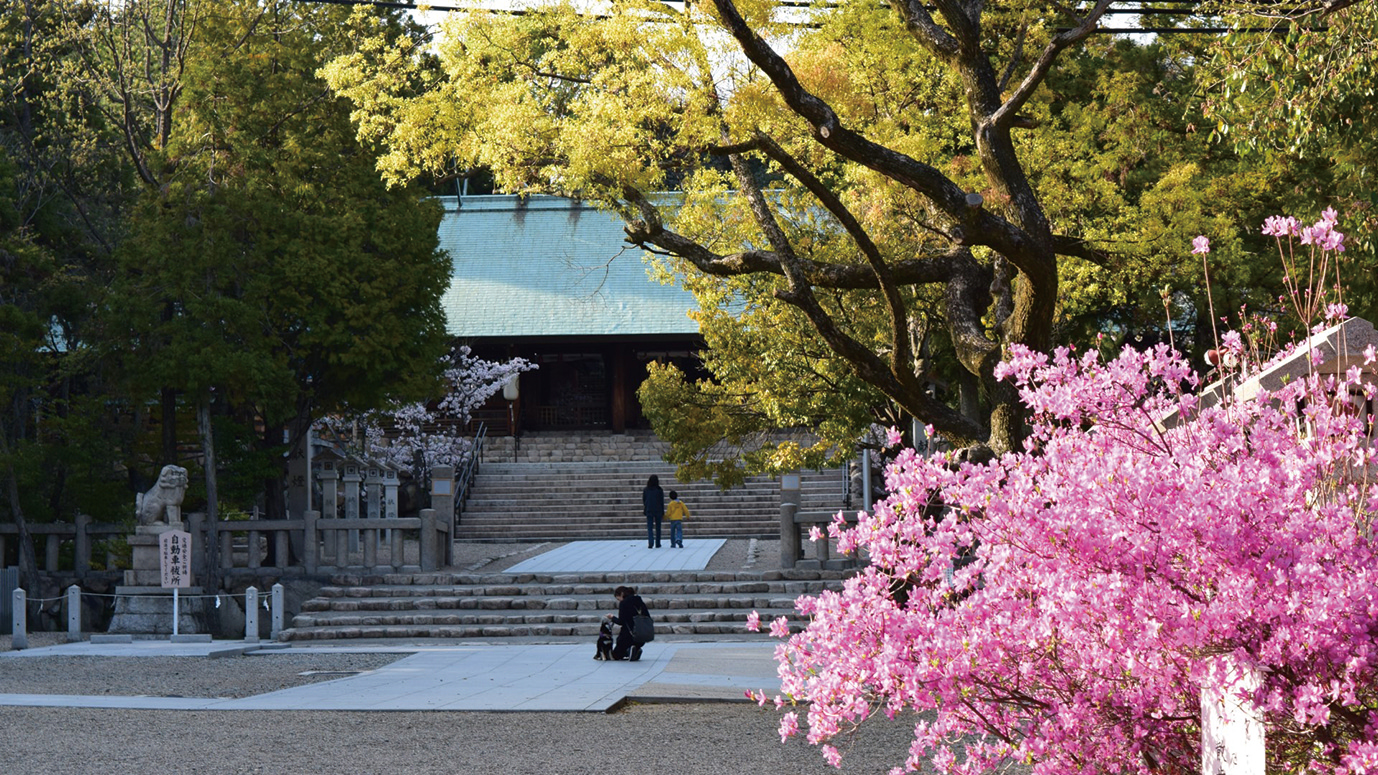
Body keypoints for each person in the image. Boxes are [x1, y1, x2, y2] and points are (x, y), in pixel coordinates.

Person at [609, 585, 650, 661]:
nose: (619, 601)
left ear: (621, 594)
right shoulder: (639, 600)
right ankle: (635, 648)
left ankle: (629, 650)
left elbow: (621, 621)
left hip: (628, 635)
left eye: (618, 599)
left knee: (616, 655)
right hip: (642, 634)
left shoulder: (624, 603)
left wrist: (612, 618)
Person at [642, 474, 665, 548]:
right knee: (658, 527)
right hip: (658, 509)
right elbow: (661, 501)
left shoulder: (646, 489)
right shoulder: (659, 489)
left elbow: (644, 499)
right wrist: (662, 510)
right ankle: (658, 543)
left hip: (649, 509)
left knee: (650, 527)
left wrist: (646, 507)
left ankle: (650, 542)